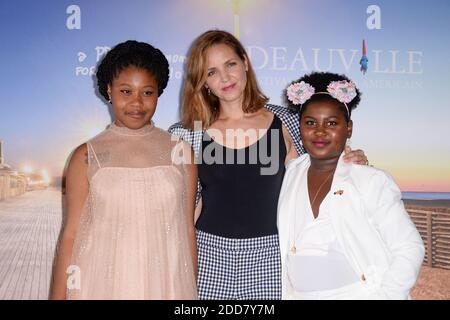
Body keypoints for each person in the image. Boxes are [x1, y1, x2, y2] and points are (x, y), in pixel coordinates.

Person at [169, 30, 368, 300]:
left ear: (245, 63)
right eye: (211, 72)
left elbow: (323, 174)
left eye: (230, 64)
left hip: (273, 256)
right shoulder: (187, 133)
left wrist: (353, 165)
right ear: (202, 82)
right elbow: (185, 210)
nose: (225, 78)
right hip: (208, 258)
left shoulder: (286, 121)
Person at [50, 40, 198, 299]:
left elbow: (186, 230)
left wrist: (187, 289)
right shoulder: (86, 156)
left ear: (159, 93)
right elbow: (71, 234)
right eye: (126, 91)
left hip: (165, 285)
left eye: (147, 92)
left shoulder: (181, 151)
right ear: (109, 90)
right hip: (99, 284)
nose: (137, 103)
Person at [277, 71, 424, 300]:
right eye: (310, 122)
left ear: (349, 128)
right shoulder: (292, 173)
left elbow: (409, 247)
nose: (320, 131)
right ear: (300, 127)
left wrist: (386, 296)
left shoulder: (370, 181)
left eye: (332, 123)